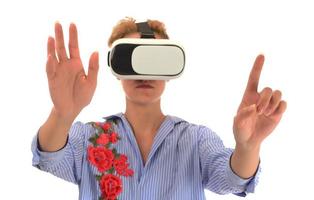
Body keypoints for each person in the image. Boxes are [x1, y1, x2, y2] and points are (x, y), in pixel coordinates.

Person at [31, 17, 287, 200]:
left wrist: (248, 146)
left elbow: (233, 179)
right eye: (132, 59)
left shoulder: (195, 140)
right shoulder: (90, 137)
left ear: (169, 72)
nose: (145, 74)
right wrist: (62, 114)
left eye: (156, 60)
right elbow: (51, 158)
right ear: (116, 69)